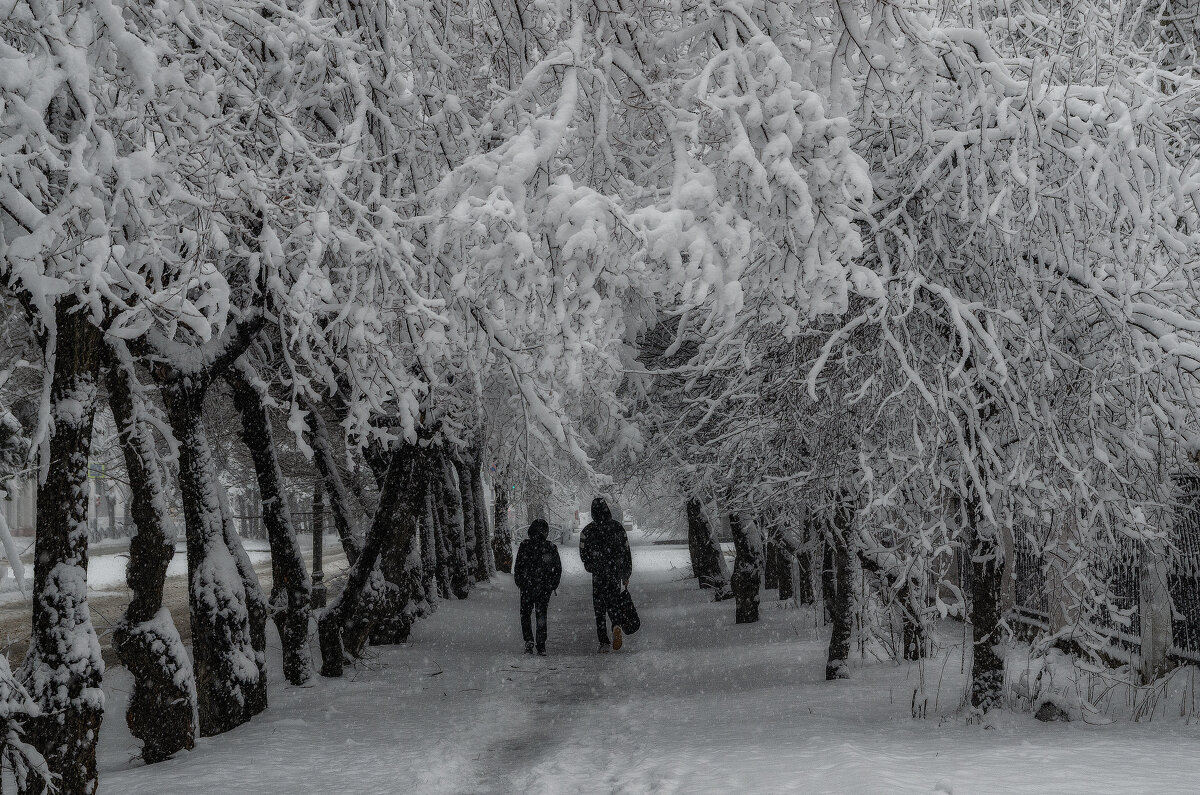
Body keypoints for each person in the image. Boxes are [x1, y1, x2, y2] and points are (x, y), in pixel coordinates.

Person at [579, 497, 632, 652]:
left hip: (598, 574)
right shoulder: (618, 528)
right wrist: (626, 573)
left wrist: (590, 565)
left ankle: (604, 642)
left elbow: (583, 553)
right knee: (614, 602)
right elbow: (626, 551)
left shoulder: (587, 531)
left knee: (599, 608)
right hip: (614, 573)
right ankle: (616, 625)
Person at [513, 519, 562, 656]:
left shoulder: (525, 546)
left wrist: (520, 582)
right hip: (544, 587)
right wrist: (552, 584)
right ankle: (541, 644)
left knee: (525, 614)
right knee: (541, 614)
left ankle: (529, 641)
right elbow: (557, 568)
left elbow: (518, 566)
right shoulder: (550, 547)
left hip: (527, 586)